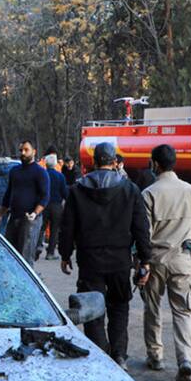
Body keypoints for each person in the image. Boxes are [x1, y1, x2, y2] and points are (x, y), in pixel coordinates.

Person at [59, 141, 152, 369]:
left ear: (93, 162)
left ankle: (100, 355)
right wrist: (145, 259)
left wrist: (65, 254)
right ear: (115, 162)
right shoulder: (130, 190)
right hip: (120, 260)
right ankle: (119, 355)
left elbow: (67, 226)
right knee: (119, 306)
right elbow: (141, 227)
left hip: (90, 261)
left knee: (92, 309)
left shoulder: (78, 190)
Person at [141, 144, 191, 381]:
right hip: (183, 260)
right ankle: (186, 359)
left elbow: (144, 234)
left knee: (153, 307)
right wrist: (189, 248)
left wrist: (142, 262)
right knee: (184, 310)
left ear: (155, 164)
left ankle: (156, 355)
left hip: (156, 259)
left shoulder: (149, 193)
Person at [0, 140, 50, 263]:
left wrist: (35, 213)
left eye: (26, 150)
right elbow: (8, 194)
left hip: (30, 220)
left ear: (34, 152)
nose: (23, 153)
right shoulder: (15, 171)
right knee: (10, 254)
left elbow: (45, 197)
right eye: (21, 150)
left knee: (25, 258)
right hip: (14, 217)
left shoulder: (40, 172)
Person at [37, 156, 68, 260]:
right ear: (55, 164)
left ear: (46, 164)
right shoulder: (60, 176)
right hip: (56, 206)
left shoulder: (42, 175)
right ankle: (50, 253)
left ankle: (38, 246)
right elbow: (64, 192)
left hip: (43, 204)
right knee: (54, 229)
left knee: (41, 227)